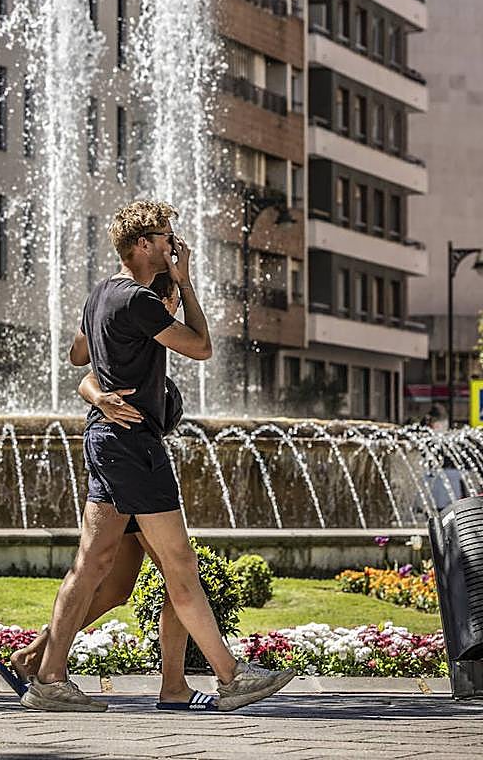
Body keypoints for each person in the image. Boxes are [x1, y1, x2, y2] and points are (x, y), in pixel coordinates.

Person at [19, 200, 295, 713]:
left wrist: (98, 390)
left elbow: (81, 355)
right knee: (178, 562)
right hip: (134, 447)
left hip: (109, 440)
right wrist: (185, 284)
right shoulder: (137, 300)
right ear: (144, 244)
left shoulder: (102, 293)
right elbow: (201, 346)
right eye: (167, 237)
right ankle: (231, 677)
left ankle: (51, 674)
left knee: (98, 565)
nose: (174, 245)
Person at [0, 274, 215, 710]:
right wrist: (101, 398)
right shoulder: (137, 316)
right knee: (178, 576)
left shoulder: (137, 330)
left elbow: (82, 360)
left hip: (126, 464)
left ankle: (35, 656)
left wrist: (98, 392)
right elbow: (87, 369)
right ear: (164, 298)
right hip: (130, 463)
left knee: (116, 587)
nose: (171, 304)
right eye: (170, 297)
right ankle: (175, 686)